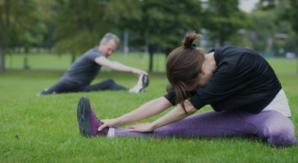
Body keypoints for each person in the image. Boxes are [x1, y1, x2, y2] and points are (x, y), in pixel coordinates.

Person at [77, 32, 297, 147]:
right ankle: (106, 133)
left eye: (190, 86)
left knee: (281, 133)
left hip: (269, 113)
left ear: (201, 72)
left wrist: (152, 124)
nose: (190, 91)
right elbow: (164, 101)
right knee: (175, 129)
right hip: (237, 115)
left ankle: (260, 134)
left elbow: (188, 107)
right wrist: (116, 121)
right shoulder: (198, 65)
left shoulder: (235, 64)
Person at [38, 33, 149, 95]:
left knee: (109, 83)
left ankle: (132, 91)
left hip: (80, 88)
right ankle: (133, 91)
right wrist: (132, 69)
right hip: (68, 84)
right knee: (44, 95)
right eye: (109, 49)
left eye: (113, 51)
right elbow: (111, 65)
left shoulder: (98, 54)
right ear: (101, 44)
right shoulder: (93, 54)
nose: (110, 53)